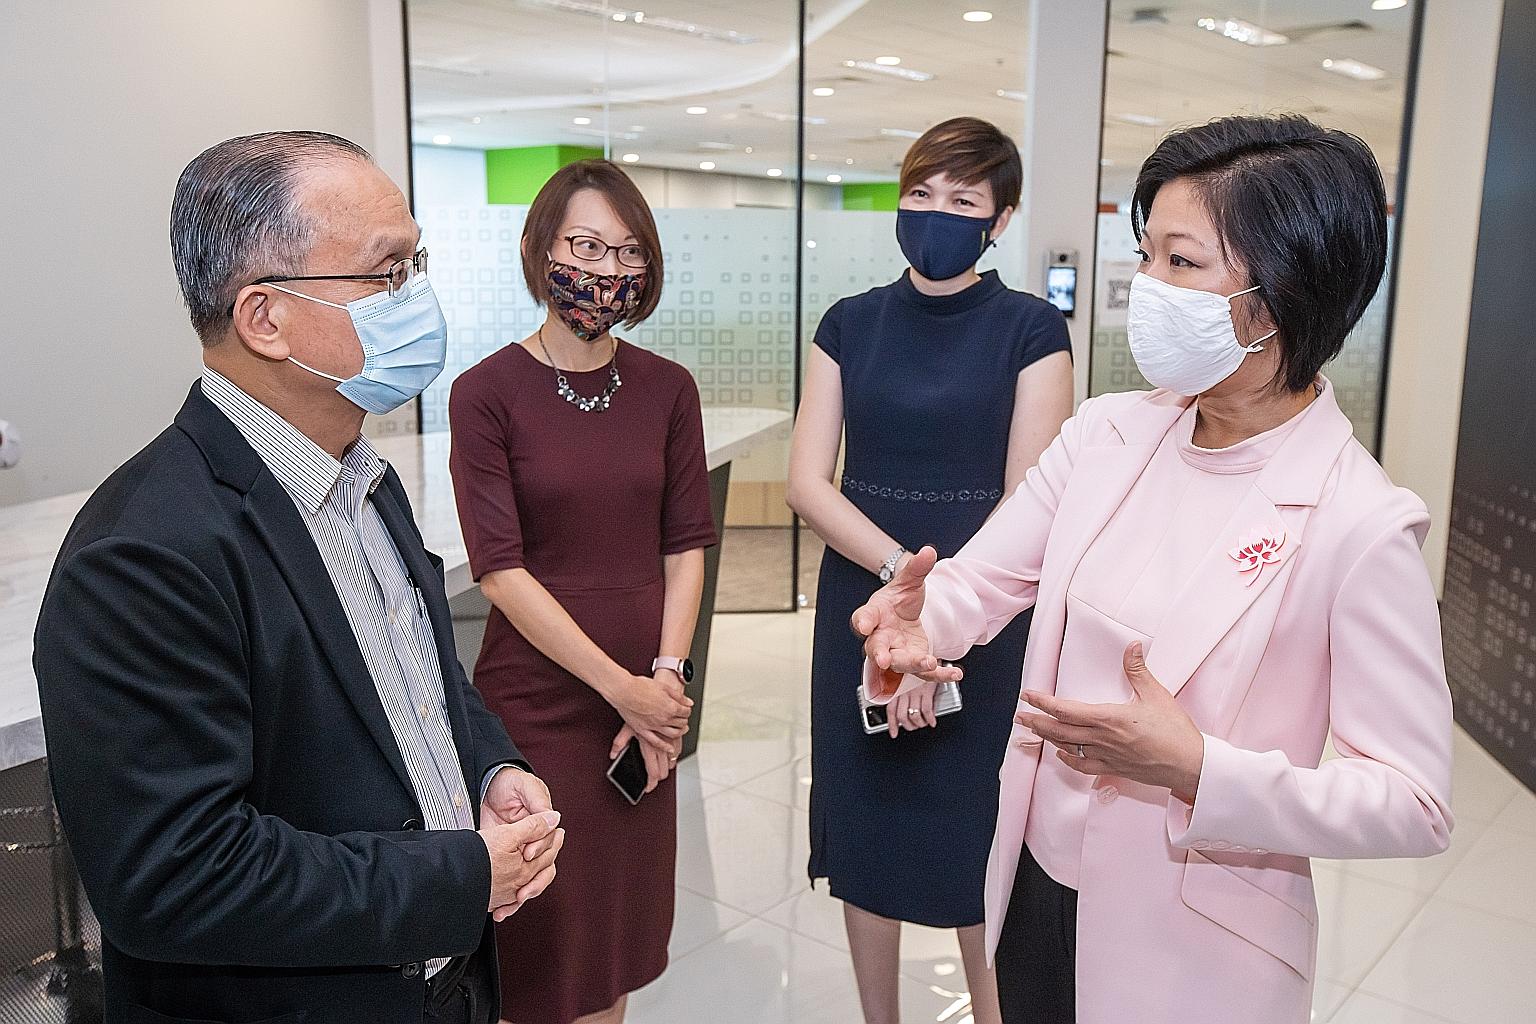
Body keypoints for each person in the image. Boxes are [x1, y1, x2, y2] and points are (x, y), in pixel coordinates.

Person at [852, 114, 1455, 1024]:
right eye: (1147, 256)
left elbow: (1412, 802)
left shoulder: (1359, 523)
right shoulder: (1108, 433)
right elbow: (982, 584)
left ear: (1283, 291)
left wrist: (1199, 768)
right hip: (1035, 882)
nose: (1149, 288)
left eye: (1182, 262)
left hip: (1196, 942)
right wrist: (917, 621)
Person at [33, 132, 564, 1024]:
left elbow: (416, 687)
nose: (419, 296)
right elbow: (175, 875)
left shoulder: (363, 476)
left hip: (445, 988)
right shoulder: (144, 554)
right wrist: (464, 872)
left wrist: (488, 765)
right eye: (387, 273)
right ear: (264, 317)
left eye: (416, 261)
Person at [788, 116, 1074, 1024]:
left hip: (986, 617)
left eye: (963, 200)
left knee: (974, 842)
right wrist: (896, 589)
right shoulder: (848, 323)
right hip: (864, 601)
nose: (936, 213)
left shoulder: (1033, 330)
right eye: (921, 193)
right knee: (868, 830)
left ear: (1001, 219)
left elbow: (1029, 499)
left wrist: (938, 615)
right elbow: (806, 480)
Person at [448, 159, 717, 1024]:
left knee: (613, 947)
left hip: (647, 706)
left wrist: (667, 678)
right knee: (542, 947)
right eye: (585, 245)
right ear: (539, 250)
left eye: (626, 251)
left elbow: (685, 543)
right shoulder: (486, 393)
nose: (605, 270)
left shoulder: (668, 388)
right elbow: (500, 568)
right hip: (540, 710)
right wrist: (624, 689)